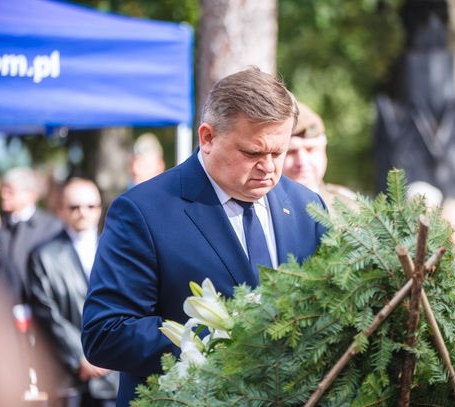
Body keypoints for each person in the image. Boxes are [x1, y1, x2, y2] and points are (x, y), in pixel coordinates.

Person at [82, 67, 327, 406]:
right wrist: (218, 338)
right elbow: (106, 333)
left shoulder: (306, 206)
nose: (269, 167)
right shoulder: (143, 211)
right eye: (253, 153)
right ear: (208, 137)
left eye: (278, 152)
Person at [28, 178, 118, 407]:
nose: (83, 213)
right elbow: (46, 314)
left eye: (90, 206)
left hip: (115, 374)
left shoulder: (118, 250)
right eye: (74, 207)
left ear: (100, 209)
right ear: (61, 210)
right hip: (69, 378)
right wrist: (80, 355)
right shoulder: (43, 256)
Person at [0, 167, 62, 303]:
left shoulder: (51, 227)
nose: (3, 195)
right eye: (3, 190)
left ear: (30, 195)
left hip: (39, 307)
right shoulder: (0, 225)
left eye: (10, 191)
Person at [282, 102, 356, 209]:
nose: (302, 162)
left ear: (324, 151)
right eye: (291, 152)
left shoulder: (350, 206)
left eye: (310, 149)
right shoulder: (265, 210)